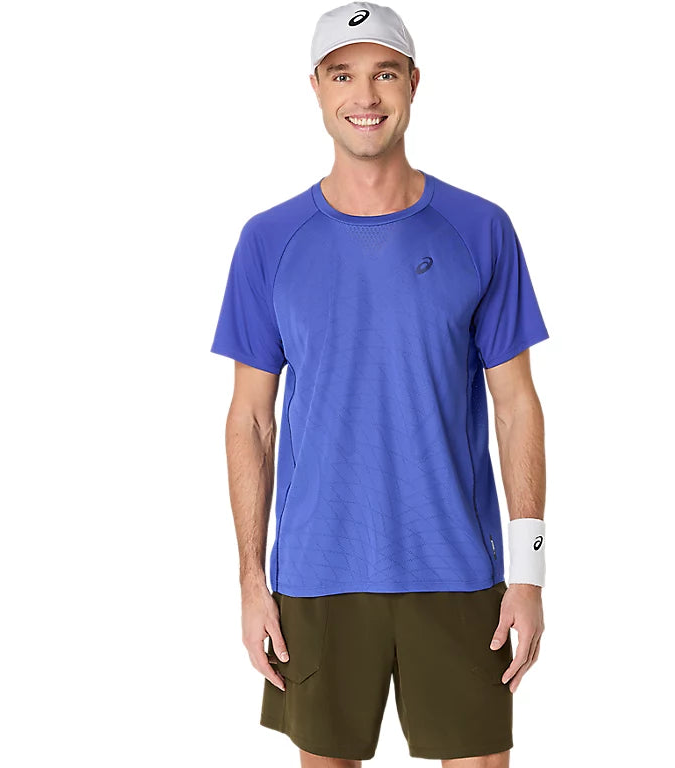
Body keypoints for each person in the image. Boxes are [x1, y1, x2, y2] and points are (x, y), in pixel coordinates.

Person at [210, 3, 549, 765]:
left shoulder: (480, 228)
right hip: (317, 572)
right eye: (343, 75)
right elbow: (251, 420)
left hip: (459, 568)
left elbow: (516, 406)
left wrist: (528, 574)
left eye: (384, 73)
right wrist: (251, 582)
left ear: (414, 83)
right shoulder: (268, 240)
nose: (364, 95)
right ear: (316, 88)